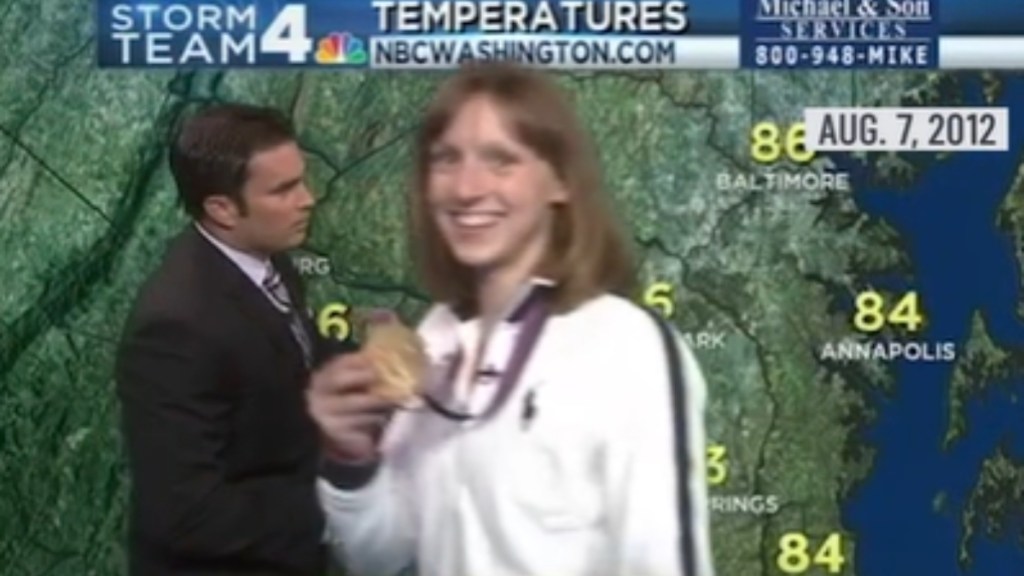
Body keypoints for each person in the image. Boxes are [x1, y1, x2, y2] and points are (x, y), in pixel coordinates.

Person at [309, 62, 715, 576]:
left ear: (560, 182)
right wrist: (350, 459)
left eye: (501, 161)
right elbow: (382, 554)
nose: (466, 188)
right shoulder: (438, 334)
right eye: (446, 160)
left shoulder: (627, 348)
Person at [115, 104, 365, 576]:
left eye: (302, 180)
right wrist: (337, 504)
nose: (308, 199)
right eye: (284, 190)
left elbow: (294, 350)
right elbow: (189, 513)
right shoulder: (175, 330)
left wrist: (384, 368)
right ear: (222, 208)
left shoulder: (263, 257)